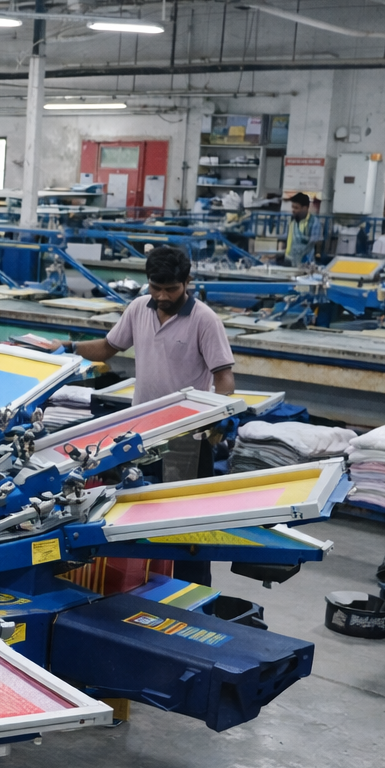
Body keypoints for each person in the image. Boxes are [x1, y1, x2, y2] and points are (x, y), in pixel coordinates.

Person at [64, 245, 233, 581]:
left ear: (187, 282)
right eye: (156, 288)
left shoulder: (204, 320)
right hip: (140, 435)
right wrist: (67, 349)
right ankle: (145, 586)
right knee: (137, 516)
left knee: (186, 525)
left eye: (171, 289)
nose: (162, 296)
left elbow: (223, 376)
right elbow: (108, 348)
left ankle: (192, 591)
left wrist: (222, 412)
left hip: (185, 440)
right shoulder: (139, 308)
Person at [282, 192, 316, 266]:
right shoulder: (291, 221)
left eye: (296, 208)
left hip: (304, 263)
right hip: (288, 260)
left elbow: (315, 244)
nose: (293, 210)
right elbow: (286, 239)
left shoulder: (314, 223)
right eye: (292, 207)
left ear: (305, 208)